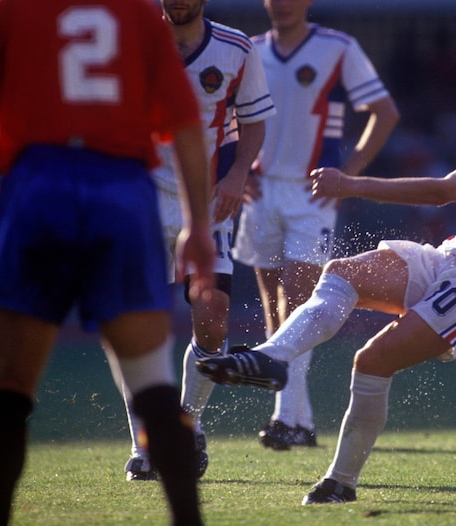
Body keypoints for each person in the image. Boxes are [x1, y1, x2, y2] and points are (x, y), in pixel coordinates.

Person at [200, 35, 456, 503]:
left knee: (372, 360)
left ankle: (340, 482)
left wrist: (351, 184)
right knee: (341, 271)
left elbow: (440, 193)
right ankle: (272, 358)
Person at [0, 0, 215, 523]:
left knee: (5, 397)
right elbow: (186, 124)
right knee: (155, 389)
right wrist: (197, 226)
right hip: (121, 194)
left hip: (37, 190)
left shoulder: (1, 10)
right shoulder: (139, 15)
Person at [104, 0, 276, 481]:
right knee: (133, 324)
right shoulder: (127, 43)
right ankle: (144, 441)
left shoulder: (236, 49)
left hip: (203, 201)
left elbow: (255, 119)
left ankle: (186, 423)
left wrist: (237, 173)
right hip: (137, 198)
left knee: (214, 316)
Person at [232, 0, 399, 451]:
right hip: (263, 193)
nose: (283, 4)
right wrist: (235, 168)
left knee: (300, 298)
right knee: (275, 312)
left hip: (312, 192)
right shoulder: (249, 50)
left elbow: (384, 112)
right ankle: (299, 421)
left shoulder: (337, 47)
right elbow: (229, 113)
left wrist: (351, 174)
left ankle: (285, 419)